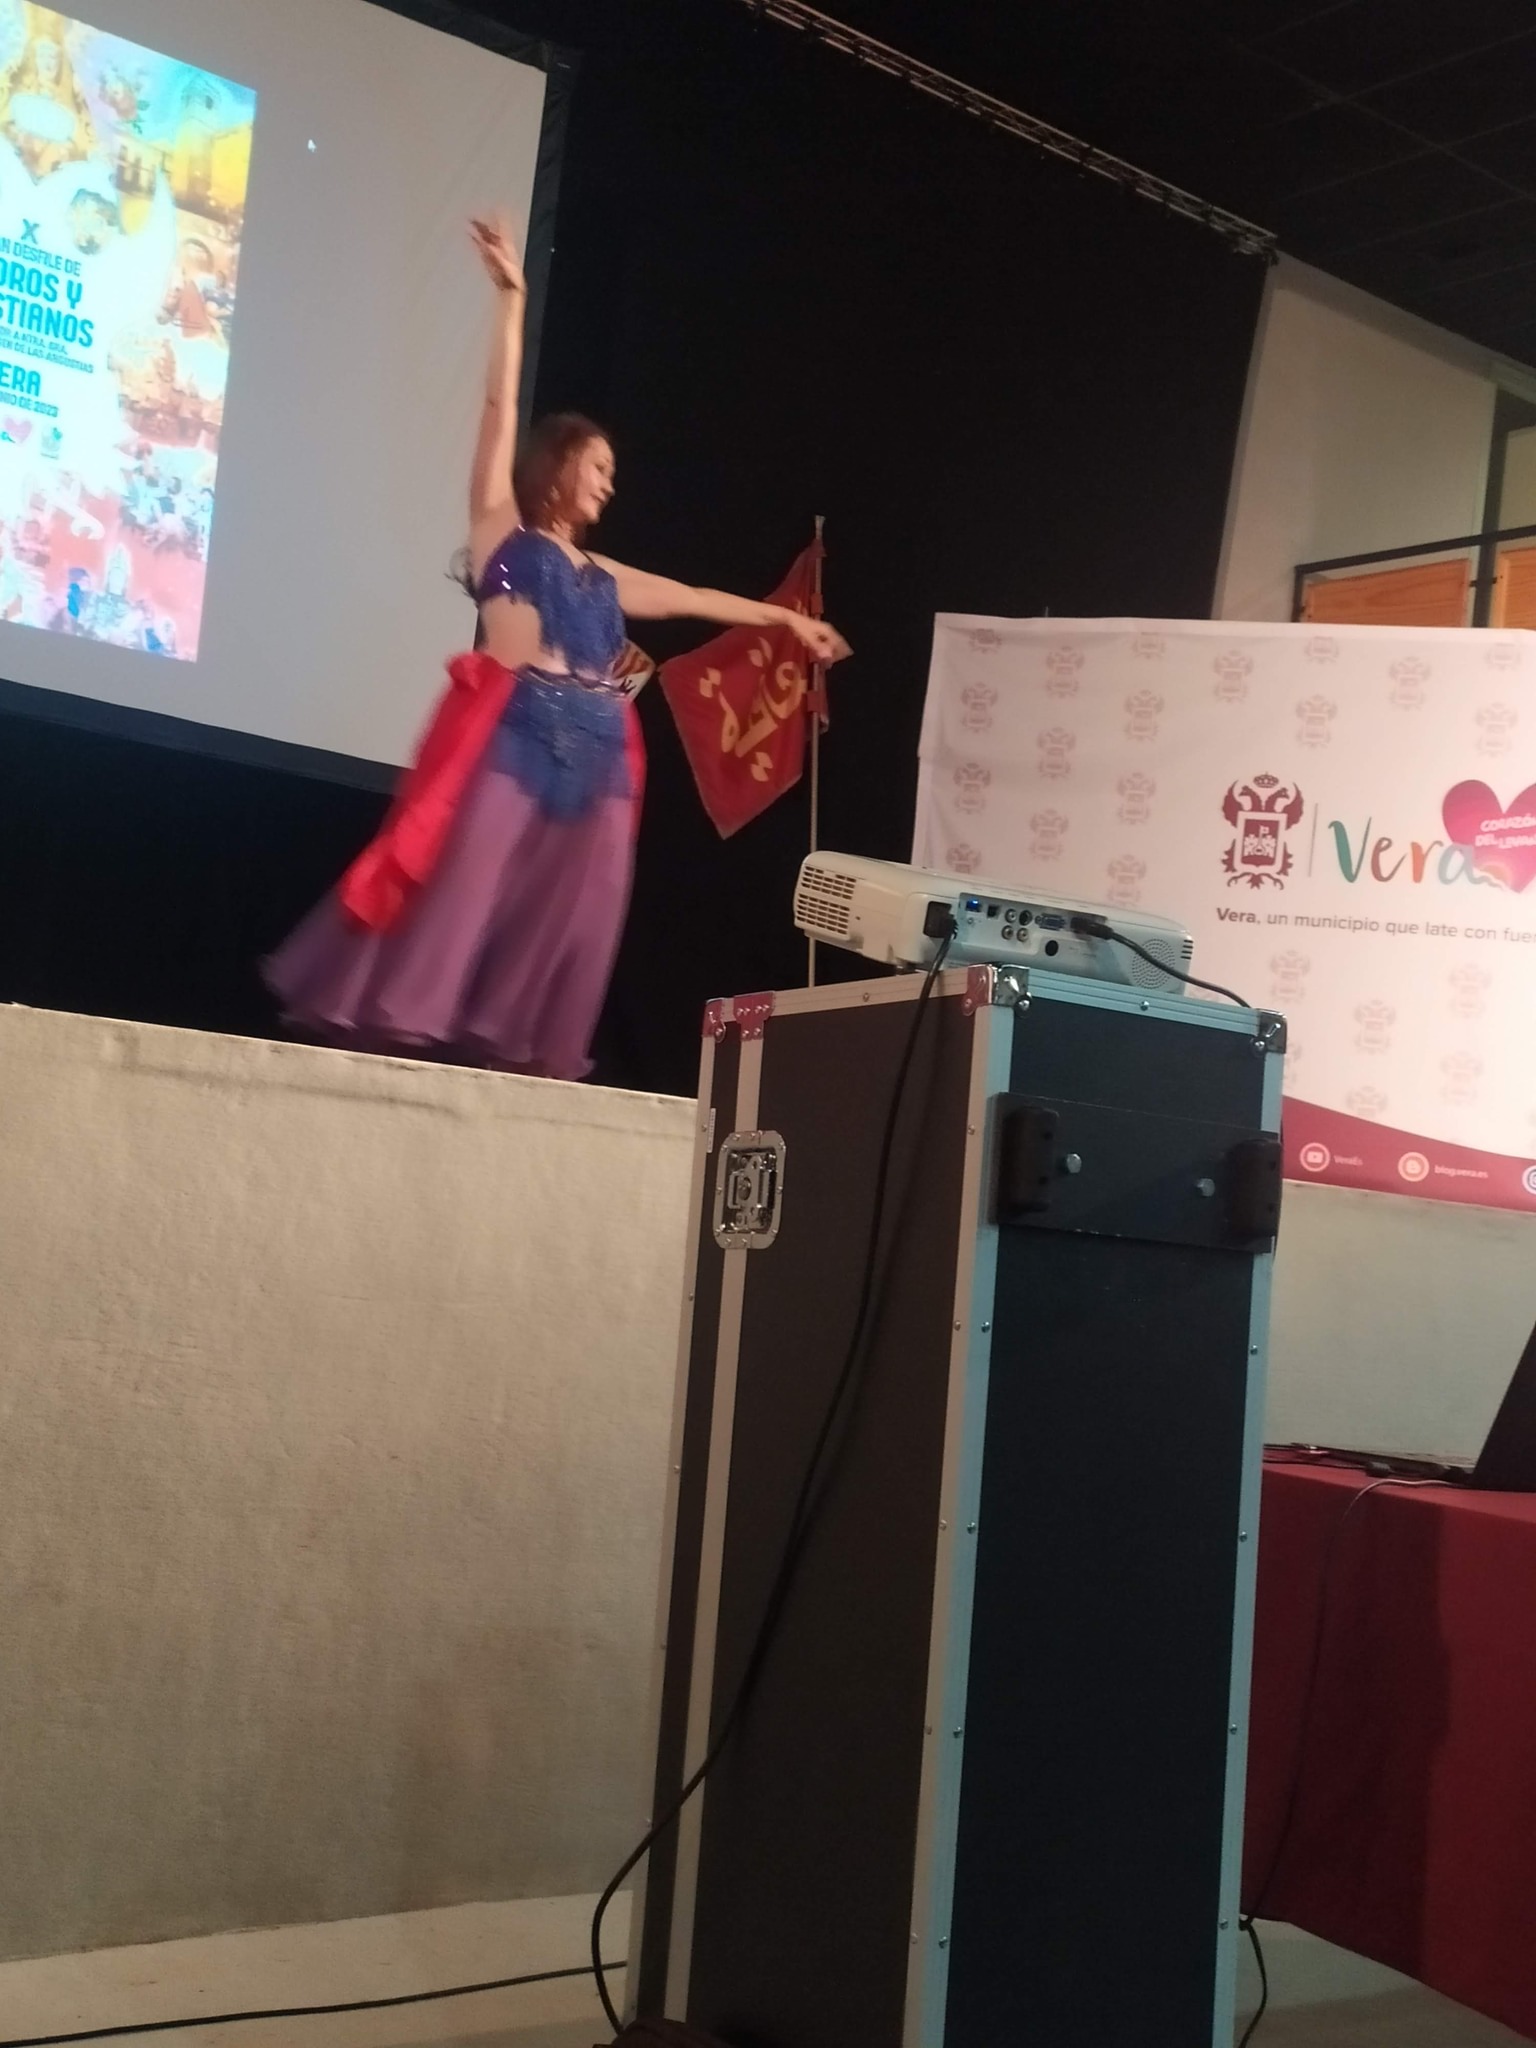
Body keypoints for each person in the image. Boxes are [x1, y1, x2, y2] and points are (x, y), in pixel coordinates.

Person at [265, 216, 848, 1081]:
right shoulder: (501, 531)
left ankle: (508, 1049)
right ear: (559, 463)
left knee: (580, 911)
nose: (609, 483)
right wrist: (512, 298)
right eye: (599, 466)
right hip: (516, 733)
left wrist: (788, 623)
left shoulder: (602, 572)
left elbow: (691, 598)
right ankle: (407, 1032)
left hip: (603, 749)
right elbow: (498, 408)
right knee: (466, 889)